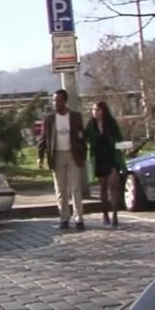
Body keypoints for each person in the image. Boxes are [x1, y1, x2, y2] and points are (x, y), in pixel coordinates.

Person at [38, 89, 88, 230]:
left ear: (65, 101)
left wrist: (82, 155)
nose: (55, 103)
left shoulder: (75, 117)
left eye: (58, 100)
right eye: (54, 100)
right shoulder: (49, 119)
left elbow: (82, 138)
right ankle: (64, 217)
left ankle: (79, 218)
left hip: (73, 155)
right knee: (60, 189)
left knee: (75, 188)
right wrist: (40, 156)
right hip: (57, 155)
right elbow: (43, 139)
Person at [85, 101, 125, 227]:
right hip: (99, 159)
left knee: (113, 186)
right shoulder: (91, 125)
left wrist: (121, 146)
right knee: (102, 187)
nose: (95, 112)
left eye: (97, 110)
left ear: (103, 111)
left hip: (111, 157)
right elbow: (84, 138)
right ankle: (105, 214)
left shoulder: (111, 123)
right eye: (93, 110)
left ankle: (115, 216)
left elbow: (119, 139)